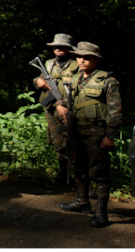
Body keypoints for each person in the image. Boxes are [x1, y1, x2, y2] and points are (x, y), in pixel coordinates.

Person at [56, 42, 122, 228]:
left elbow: (115, 111)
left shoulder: (108, 81)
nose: (81, 60)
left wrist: (110, 135)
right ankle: (82, 201)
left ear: (96, 59)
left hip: (97, 133)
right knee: (77, 167)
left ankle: (101, 211)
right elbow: (70, 100)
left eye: (86, 57)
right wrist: (59, 104)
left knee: (99, 172)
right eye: (79, 57)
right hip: (77, 132)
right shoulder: (76, 79)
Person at [33, 33, 80, 182]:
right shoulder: (48, 64)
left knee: (75, 142)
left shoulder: (77, 65)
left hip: (70, 107)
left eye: (62, 47)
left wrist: (64, 104)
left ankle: (79, 177)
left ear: (69, 49)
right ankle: (63, 174)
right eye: (56, 47)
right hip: (51, 108)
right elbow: (39, 78)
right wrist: (38, 81)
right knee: (57, 142)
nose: (58, 49)